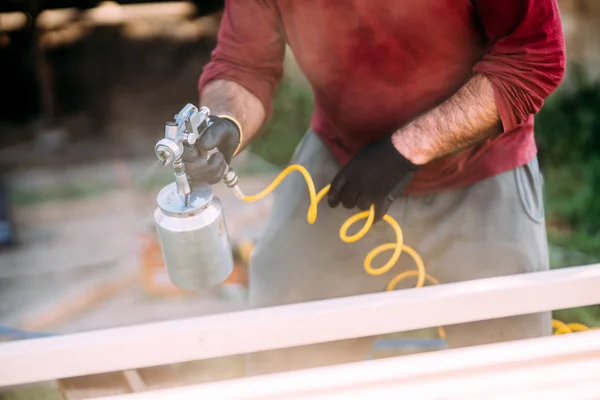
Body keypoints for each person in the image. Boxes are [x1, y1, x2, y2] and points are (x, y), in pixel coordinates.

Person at [184, 0, 566, 374]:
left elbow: (533, 56)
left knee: (509, 370)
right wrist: (225, 122)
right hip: (340, 162)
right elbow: (243, 64)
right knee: (283, 338)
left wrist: (408, 148)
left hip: (480, 168)